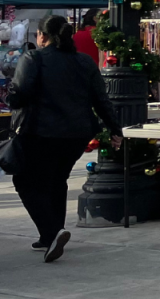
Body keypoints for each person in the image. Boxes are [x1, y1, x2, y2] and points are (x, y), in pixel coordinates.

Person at [8, 15, 122, 262]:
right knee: (57, 180)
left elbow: (20, 95)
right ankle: (50, 236)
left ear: (42, 36)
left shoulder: (33, 58)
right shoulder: (84, 61)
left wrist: (12, 94)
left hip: (41, 132)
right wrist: (115, 129)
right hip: (77, 134)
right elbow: (101, 99)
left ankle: (51, 232)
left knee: (25, 181)